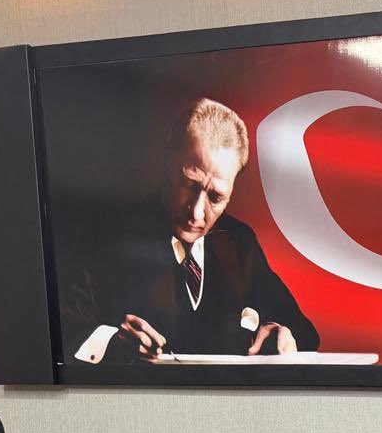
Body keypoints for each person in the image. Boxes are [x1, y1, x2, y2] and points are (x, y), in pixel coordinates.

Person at [61, 97, 319, 364]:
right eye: (189, 184)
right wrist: (111, 341)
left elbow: (305, 332)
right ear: (167, 164)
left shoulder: (239, 242)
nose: (196, 213)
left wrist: (280, 332)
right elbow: (60, 330)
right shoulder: (107, 235)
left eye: (215, 197)